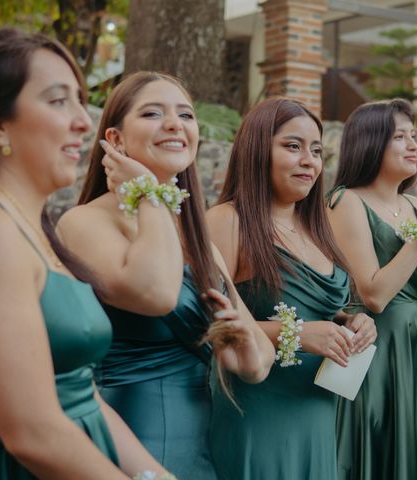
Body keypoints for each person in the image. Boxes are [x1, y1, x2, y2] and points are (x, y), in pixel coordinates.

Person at [57, 71, 275, 480]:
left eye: (186, 115)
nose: (176, 124)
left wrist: (243, 342)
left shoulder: (195, 238)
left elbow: (258, 363)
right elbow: (153, 292)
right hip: (124, 439)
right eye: (153, 113)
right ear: (115, 141)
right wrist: (147, 195)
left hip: (197, 446)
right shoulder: (83, 222)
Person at [0, 28, 174, 479]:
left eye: (79, 99)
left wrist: (155, 476)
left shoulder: (34, 230)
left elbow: (80, 392)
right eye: (56, 101)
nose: (83, 121)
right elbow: (33, 433)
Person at [205, 97, 377, 480]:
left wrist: (352, 321)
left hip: (316, 414)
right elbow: (206, 327)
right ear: (256, 150)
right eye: (292, 146)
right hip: (258, 413)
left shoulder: (319, 229)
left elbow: (316, 307)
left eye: (316, 150)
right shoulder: (227, 222)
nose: (309, 161)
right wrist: (295, 334)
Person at [326, 98, 417, 480]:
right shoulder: (345, 200)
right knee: (372, 448)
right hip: (373, 345)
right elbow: (374, 295)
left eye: (414, 136)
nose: (413, 145)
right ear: (370, 142)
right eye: (399, 136)